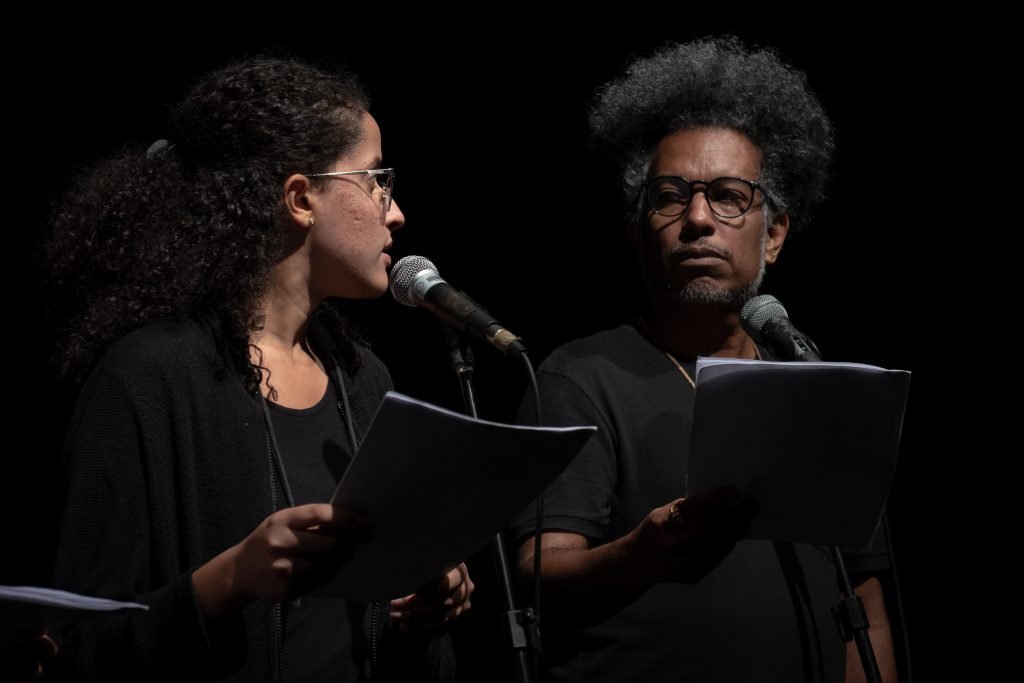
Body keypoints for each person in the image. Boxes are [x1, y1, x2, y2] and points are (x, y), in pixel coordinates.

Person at [44, 56, 472, 681]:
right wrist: (229, 581)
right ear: (301, 199)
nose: (396, 210)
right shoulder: (150, 378)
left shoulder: (364, 380)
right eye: (376, 179)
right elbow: (73, 655)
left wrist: (421, 613)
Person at [510, 38, 897, 682]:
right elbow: (536, 583)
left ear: (773, 235)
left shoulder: (813, 383)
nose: (697, 219)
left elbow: (868, 604)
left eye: (727, 195)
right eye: (670, 195)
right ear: (637, 234)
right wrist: (643, 554)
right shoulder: (579, 377)